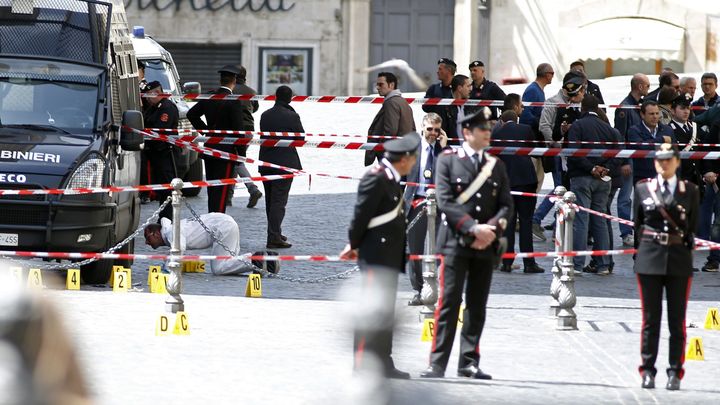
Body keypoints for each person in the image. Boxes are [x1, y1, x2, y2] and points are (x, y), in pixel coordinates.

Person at [419, 107, 512, 380]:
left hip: (486, 245)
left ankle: (469, 362)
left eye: (488, 129)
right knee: (448, 303)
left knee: (477, 304)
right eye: (483, 129)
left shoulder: (496, 165)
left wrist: (491, 230)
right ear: (468, 133)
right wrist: (474, 228)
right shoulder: (448, 161)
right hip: (455, 243)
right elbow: (445, 201)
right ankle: (437, 363)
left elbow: (506, 205)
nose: (488, 133)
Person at [340, 133, 420, 380]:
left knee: (384, 312)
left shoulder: (390, 177)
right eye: (414, 157)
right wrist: (354, 244)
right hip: (376, 255)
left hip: (388, 255)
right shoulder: (377, 178)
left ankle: (383, 361)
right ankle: (362, 363)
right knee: (371, 310)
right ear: (404, 160)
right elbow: (361, 215)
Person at [633, 143, 699, 391]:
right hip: (650, 259)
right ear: (655, 162)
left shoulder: (689, 190)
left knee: (676, 321)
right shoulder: (642, 189)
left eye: (668, 159)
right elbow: (637, 225)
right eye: (659, 160)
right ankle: (647, 370)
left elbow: (691, 226)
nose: (663, 164)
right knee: (650, 320)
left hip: (679, 259)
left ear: (677, 162)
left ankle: (675, 372)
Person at [567, 95, 623, 275]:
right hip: (603, 181)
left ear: (582, 108)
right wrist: (605, 168)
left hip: (583, 177)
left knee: (581, 220)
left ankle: (576, 264)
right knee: (600, 220)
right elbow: (618, 155)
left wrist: (592, 168)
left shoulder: (577, 126)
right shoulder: (609, 129)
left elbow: (574, 152)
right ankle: (603, 264)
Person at [531, 70, 585, 241]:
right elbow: (544, 126)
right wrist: (556, 142)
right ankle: (538, 219)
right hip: (558, 154)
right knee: (560, 189)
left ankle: (556, 226)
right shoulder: (552, 103)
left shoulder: (577, 103)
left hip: (572, 154)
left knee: (564, 190)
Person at [187, 65, 246, 214]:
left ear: (220, 80)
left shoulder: (210, 97)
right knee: (222, 190)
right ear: (234, 80)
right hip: (226, 151)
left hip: (210, 147)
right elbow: (239, 131)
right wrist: (241, 154)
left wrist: (206, 131)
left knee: (212, 188)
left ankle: (212, 216)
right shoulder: (234, 101)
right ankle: (218, 220)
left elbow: (191, 114)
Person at [492, 110, 544, 273]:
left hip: (506, 183)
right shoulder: (526, 129)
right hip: (526, 180)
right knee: (526, 221)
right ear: (516, 119)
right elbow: (532, 150)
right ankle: (529, 263)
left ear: (502, 120)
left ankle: (507, 262)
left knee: (508, 223)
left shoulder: (496, 132)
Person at [144, 212, 279, 275]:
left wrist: (168, 268)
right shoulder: (171, 229)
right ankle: (266, 261)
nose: (146, 242)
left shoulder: (170, 232)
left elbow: (179, 247)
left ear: (155, 233)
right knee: (230, 263)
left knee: (219, 268)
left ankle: (257, 260)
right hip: (225, 222)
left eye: (147, 238)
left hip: (222, 227)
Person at [403, 113, 447, 305]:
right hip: (416, 202)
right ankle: (419, 290)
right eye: (429, 129)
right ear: (422, 128)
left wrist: (444, 150)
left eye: (437, 130)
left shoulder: (444, 151)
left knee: (441, 249)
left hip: (439, 204)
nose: (433, 133)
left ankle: (443, 289)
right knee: (415, 250)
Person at [259, 85, 304, 249]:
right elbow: (300, 138)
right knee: (279, 202)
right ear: (290, 98)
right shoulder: (292, 115)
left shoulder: (265, 115)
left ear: (275, 96)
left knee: (270, 201)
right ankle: (274, 237)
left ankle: (274, 232)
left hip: (265, 162)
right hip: (284, 164)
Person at [614, 73, 650, 246]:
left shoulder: (638, 106)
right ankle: (626, 232)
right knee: (625, 198)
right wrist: (624, 160)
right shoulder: (625, 107)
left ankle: (638, 230)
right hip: (630, 159)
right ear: (640, 86)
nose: (649, 89)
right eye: (648, 86)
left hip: (640, 159)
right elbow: (620, 136)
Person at [141, 80, 179, 221]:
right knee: (161, 189)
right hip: (155, 154)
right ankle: (163, 217)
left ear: (156, 93)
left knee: (167, 188)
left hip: (165, 153)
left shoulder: (166, 107)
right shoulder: (154, 107)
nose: (147, 99)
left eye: (148, 96)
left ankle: (168, 218)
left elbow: (160, 130)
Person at [228, 65, 263, 209]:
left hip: (232, 130)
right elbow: (255, 108)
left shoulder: (229, 89)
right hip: (249, 129)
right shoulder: (251, 91)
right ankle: (228, 197)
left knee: (235, 162)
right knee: (235, 160)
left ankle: (252, 188)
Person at [365, 72, 416, 166]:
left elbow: (390, 131)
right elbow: (413, 128)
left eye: (381, 84)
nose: (377, 87)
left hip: (392, 155)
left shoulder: (391, 102)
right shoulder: (403, 102)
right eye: (377, 84)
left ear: (391, 85)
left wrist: (380, 150)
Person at [519, 63, 554, 192]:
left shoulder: (538, 90)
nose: (553, 77)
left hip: (536, 140)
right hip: (531, 140)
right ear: (546, 74)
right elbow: (526, 115)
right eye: (552, 73)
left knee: (539, 176)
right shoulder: (533, 90)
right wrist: (542, 122)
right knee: (534, 178)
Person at [627, 100, 676, 185]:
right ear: (642, 115)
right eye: (651, 114)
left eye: (657, 113)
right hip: (643, 178)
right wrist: (661, 140)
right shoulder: (634, 130)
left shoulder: (668, 130)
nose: (655, 117)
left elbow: (675, 153)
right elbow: (641, 147)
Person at [668, 94, 701, 186]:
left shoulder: (695, 127)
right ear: (673, 111)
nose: (686, 112)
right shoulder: (668, 130)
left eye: (688, 108)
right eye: (682, 108)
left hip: (697, 178)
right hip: (679, 178)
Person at [439, 74, 472, 145]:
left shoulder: (470, 105)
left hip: (469, 149)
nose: (471, 89)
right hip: (453, 150)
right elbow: (443, 131)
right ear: (460, 88)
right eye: (468, 86)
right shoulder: (445, 107)